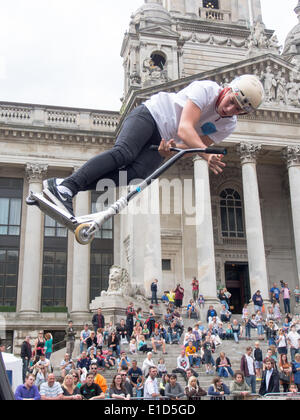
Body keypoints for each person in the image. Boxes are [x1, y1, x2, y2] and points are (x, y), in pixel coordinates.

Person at [42, 75, 264, 218]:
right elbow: (186, 129)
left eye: (238, 110)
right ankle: (66, 188)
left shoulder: (228, 125)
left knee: (135, 176)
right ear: (227, 90)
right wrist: (206, 156)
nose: (230, 109)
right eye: (232, 101)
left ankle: (62, 187)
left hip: (163, 139)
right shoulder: (206, 89)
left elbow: (187, 148)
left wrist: (170, 151)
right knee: (124, 154)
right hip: (150, 115)